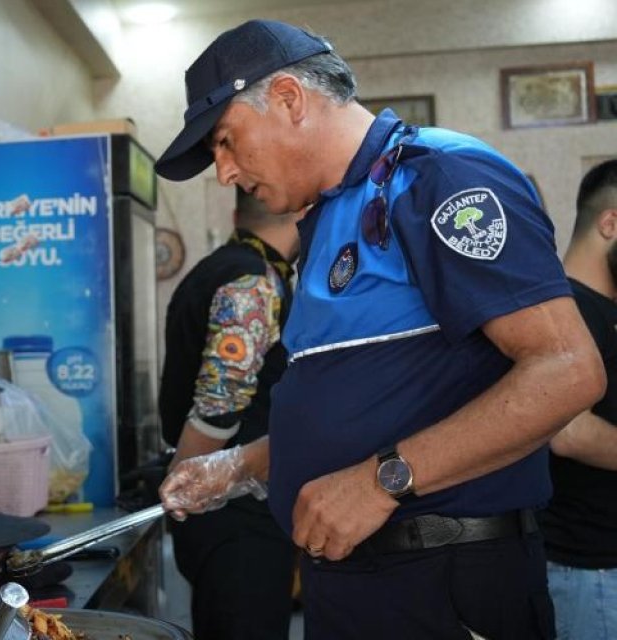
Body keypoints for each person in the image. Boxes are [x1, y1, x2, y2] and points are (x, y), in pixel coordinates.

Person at [152, 19, 604, 639]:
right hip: (351, 581)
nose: (223, 172)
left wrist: (383, 479)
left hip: (440, 580)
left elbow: (567, 369)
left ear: (288, 98)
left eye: (227, 141)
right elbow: (362, 408)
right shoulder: (329, 217)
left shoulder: (441, 178)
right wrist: (240, 466)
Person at [158, 186, 300, 639]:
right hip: (233, 511)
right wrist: (188, 486)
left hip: (220, 509)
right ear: (300, 212)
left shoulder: (215, 268)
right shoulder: (251, 281)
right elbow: (219, 407)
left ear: (238, 213)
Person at [541, 159, 617, 638]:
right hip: (589, 571)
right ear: (610, 223)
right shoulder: (566, 308)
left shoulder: (604, 308)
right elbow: (569, 432)